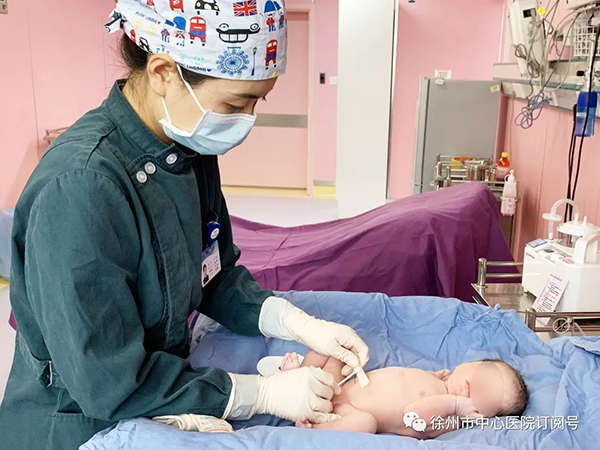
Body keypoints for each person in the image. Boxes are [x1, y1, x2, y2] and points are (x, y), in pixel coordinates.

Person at [0, 2, 369, 449]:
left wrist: (294, 322)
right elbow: (107, 380)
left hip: (158, 397)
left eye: (257, 101)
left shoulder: (187, 151)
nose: (247, 120)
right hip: (77, 424)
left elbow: (212, 274)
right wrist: (258, 393)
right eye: (235, 104)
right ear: (163, 73)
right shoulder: (81, 188)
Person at [281, 352, 528, 438]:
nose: (480, 385)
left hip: (345, 412)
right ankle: (298, 377)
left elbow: (413, 415)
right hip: (338, 385)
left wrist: (455, 404)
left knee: (366, 424)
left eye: (488, 394)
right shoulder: (437, 379)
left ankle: (313, 429)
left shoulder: (451, 419)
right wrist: (433, 377)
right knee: (334, 350)